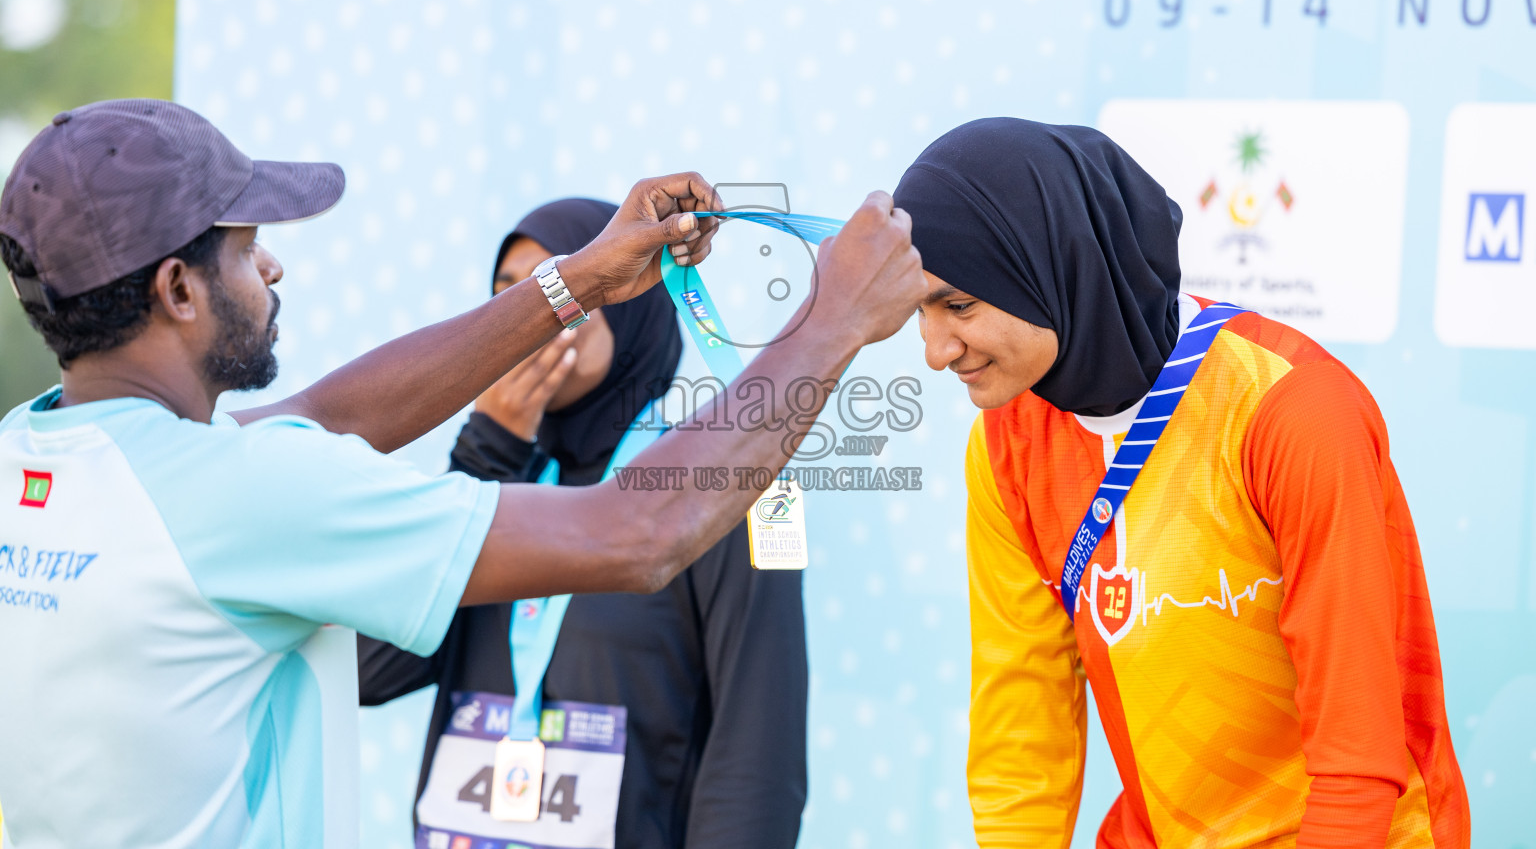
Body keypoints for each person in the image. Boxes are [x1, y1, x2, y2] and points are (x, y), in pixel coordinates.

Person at [0, 99, 925, 848]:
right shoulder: (244, 491)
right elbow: (641, 533)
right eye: (246, 248)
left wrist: (581, 280)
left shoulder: (33, 457)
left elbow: (331, 419)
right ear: (178, 290)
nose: (272, 264)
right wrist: (832, 321)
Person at [892, 117, 1469, 849]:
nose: (936, 351)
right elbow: (1022, 732)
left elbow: (1356, 756)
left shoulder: (1290, 410)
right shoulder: (1007, 441)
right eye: (919, 310)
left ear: (1048, 267)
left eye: (959, 305)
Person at [357, 198, 807, 849]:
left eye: (558, 287)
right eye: (505, 296)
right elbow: (369, 670)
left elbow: (756, 768)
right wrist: (485, 454)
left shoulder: (717, 486)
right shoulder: (491, 480)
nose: (526, 317)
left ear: (627, 302)